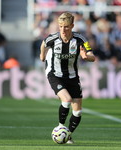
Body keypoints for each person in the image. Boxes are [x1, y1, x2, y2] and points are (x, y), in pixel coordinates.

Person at [40, 12, 95, 143]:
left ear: (72, 26)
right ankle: (60, 127)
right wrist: (42, 56)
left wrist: (86, 57)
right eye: (60, 26)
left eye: (66, 27)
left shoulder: (81, 39)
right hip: (55, 74)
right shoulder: (52, 39)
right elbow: (44, 44)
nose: (63, 30)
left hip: (72, 76)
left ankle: (68, 135)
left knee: (78, 112)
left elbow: (92, 56)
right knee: (67, 99)